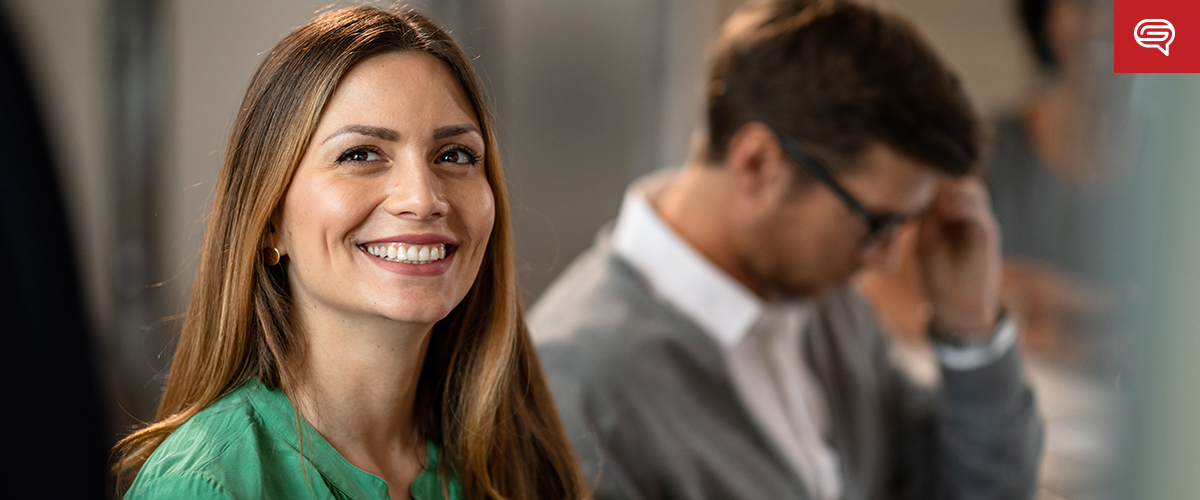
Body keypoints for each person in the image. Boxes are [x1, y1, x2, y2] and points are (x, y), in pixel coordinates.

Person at [530, 1, 1043, 499]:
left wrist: (969, 326)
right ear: (758, 164)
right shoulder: (576, 388)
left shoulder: (822, 299)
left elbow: (976, 488)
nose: (886, 260)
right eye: (877, 224)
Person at [111, 7, 586, 500]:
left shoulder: (515, 461)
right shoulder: (207, 484)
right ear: (270, 219)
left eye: (454, 155)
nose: (423, 199)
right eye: (360, 154)